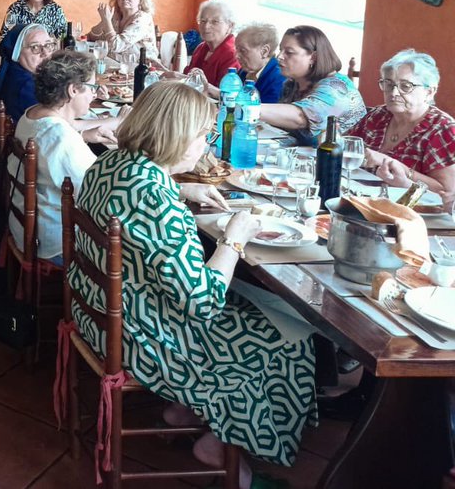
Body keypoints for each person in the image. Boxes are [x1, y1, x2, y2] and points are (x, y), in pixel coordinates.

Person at [71, 82, 315, 486]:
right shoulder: (157, 202)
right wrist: (235, 236)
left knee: (265, 309)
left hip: (98, 316)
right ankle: (221, 445)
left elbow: (140, 200)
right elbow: (203, 302)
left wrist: (183, 188)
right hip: (146, 341)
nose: (208, 142)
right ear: (174, 135)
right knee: (288, 338)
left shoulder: (111, 164)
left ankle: (186, 411)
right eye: (203, 134)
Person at [6, 51, 120, 263]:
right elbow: (98, 193)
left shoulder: (32, 114)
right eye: (92, 88)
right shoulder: (60, 137)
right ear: (73, 90)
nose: (94, 95)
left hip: (24, 228)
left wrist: (84, 136)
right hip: (53, 242)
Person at [347, 49, 455, 195]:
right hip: (362, 198)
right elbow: (344, 145)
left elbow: (447, 192)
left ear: (429, 92)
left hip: (413, 211)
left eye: (406, 86)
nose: (393, 93)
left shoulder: (443, 129)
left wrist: (398, 167)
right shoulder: (378, 115)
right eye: (389, 84)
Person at [260, 25, 366, 145]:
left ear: (313, 57)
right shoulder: (291, 85)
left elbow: (300, 117)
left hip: (343, 161)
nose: (279, 56)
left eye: (289, 52)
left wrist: (249, 108)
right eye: (280, 50)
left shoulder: (338, 88)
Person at [0, 24, 55, 121]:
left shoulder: (17, 71)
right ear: (17, 53)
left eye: (48, 45)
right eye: (35, 47)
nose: (45, 53)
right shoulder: (26, 85)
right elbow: (51, 122)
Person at [86, 0, 157, 57]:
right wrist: (104, 20)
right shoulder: (117, 16)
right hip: (117, 64)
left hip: (141, 67)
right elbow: (90, 38)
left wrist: (106, 20)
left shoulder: (143, 19)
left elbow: (116, 46)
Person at [182, 0, 240, 85]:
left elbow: (223, 94)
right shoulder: (201, 47)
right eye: (203, 21)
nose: (206, 26)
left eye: (215, 21)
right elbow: (188, 77)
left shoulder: (233, 54)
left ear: (230, 26)